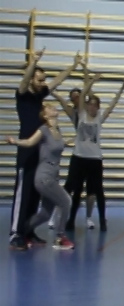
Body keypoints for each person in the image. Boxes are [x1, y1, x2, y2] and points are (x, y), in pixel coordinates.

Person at [11, 50, 81, 249]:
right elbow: (24, 81)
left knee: (34, 196)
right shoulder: (23, 95)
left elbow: (57, 81)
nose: (43, 83)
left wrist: (73, 66)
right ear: (32, 77)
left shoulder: (40, 94)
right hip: (26, 153)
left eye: (43, 80)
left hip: (39, 153)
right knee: (22, 195)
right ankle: (15, 233)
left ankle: (28, 233)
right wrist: (33, 62)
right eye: (39, 79)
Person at [61, 68, 124, 232]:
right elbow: (84, 92)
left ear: (97, 107)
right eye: (89, 105)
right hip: (79, 157)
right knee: (77, 191)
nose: (91, 108)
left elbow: (113, 103)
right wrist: (91, 80)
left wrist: (122, 88)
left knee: (98, 191)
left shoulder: (99, 118)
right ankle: (70, 220)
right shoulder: (82, 115)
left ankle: (102, 220)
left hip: (94, 159)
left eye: (94, 105)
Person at [6, 99, 75, 250]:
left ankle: (23, 231)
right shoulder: (43, 129)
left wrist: (71, 141)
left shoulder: (57, 130)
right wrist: (15, 141)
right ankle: (60, 237)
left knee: (45, 213)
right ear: (45, 114)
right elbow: (30, 142)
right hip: (44, 177)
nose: (52, 107)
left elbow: (57, 147)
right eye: (49, 107)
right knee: (66, 201)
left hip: (54, 175)